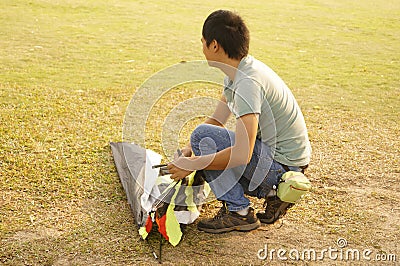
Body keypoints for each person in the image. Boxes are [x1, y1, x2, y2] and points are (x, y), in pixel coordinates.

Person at [167, 10, 311, 234]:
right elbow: (217, 119)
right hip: (282, 161)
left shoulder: (247, 83)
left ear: (214, 45)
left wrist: (194, 164)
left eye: (203, 42)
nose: (202, 47)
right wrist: (189, 151)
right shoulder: (240, 70)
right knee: (202, 142)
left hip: (284, 169)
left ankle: (240, 212)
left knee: (203, 140)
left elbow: (243, 153)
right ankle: (271, 195)